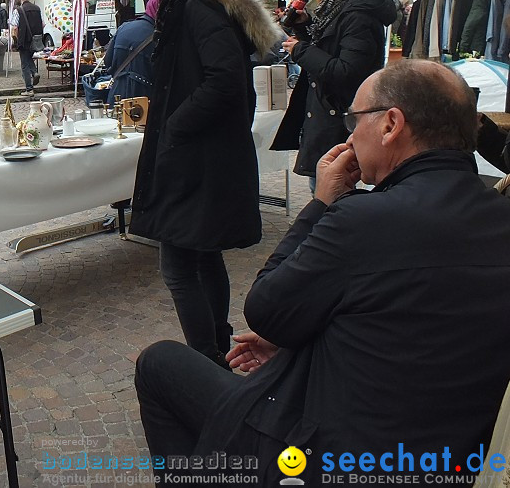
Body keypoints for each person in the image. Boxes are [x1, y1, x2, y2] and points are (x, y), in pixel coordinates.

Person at [135, 61, 510, 484]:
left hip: (339, 461)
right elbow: (408, 326)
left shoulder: (364, 219)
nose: (349, 135)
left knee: (159, 363)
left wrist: (321, 204)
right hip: (454, 460)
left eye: (355, 119)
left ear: (390, 124)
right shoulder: (500, 216)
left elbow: (265, 309)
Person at [129, 0, 279, 366]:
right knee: (204, 253)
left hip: (197, 158)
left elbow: (225, 80)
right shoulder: (206, 1)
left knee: (177, 267)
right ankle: (217, 346)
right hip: (207, 156)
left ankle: (207, 360)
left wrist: (175, 125)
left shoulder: (197, 4)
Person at [272, 0, 396, 189]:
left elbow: (345, 70)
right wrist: (305, 26)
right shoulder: (338, 6)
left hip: (339, 114)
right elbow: (329, 48)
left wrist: (300, 50)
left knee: (330, 190)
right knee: (324, 186)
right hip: (328, 113)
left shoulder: (357, 12)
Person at [101, 0, 160, 106]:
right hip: (145, 100)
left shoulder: (124, 27)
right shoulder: (160, 36)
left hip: (117, 94)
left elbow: (107, 61)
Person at [11, 0, 44, 97]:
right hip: (35, 40)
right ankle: (34, 72)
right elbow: (42, 24)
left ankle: (29, 89)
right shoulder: (37, 9)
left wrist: (15, 38)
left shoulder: (19, 10)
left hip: (24, 40)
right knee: (29, 58)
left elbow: (14, 26)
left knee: (24, 64)